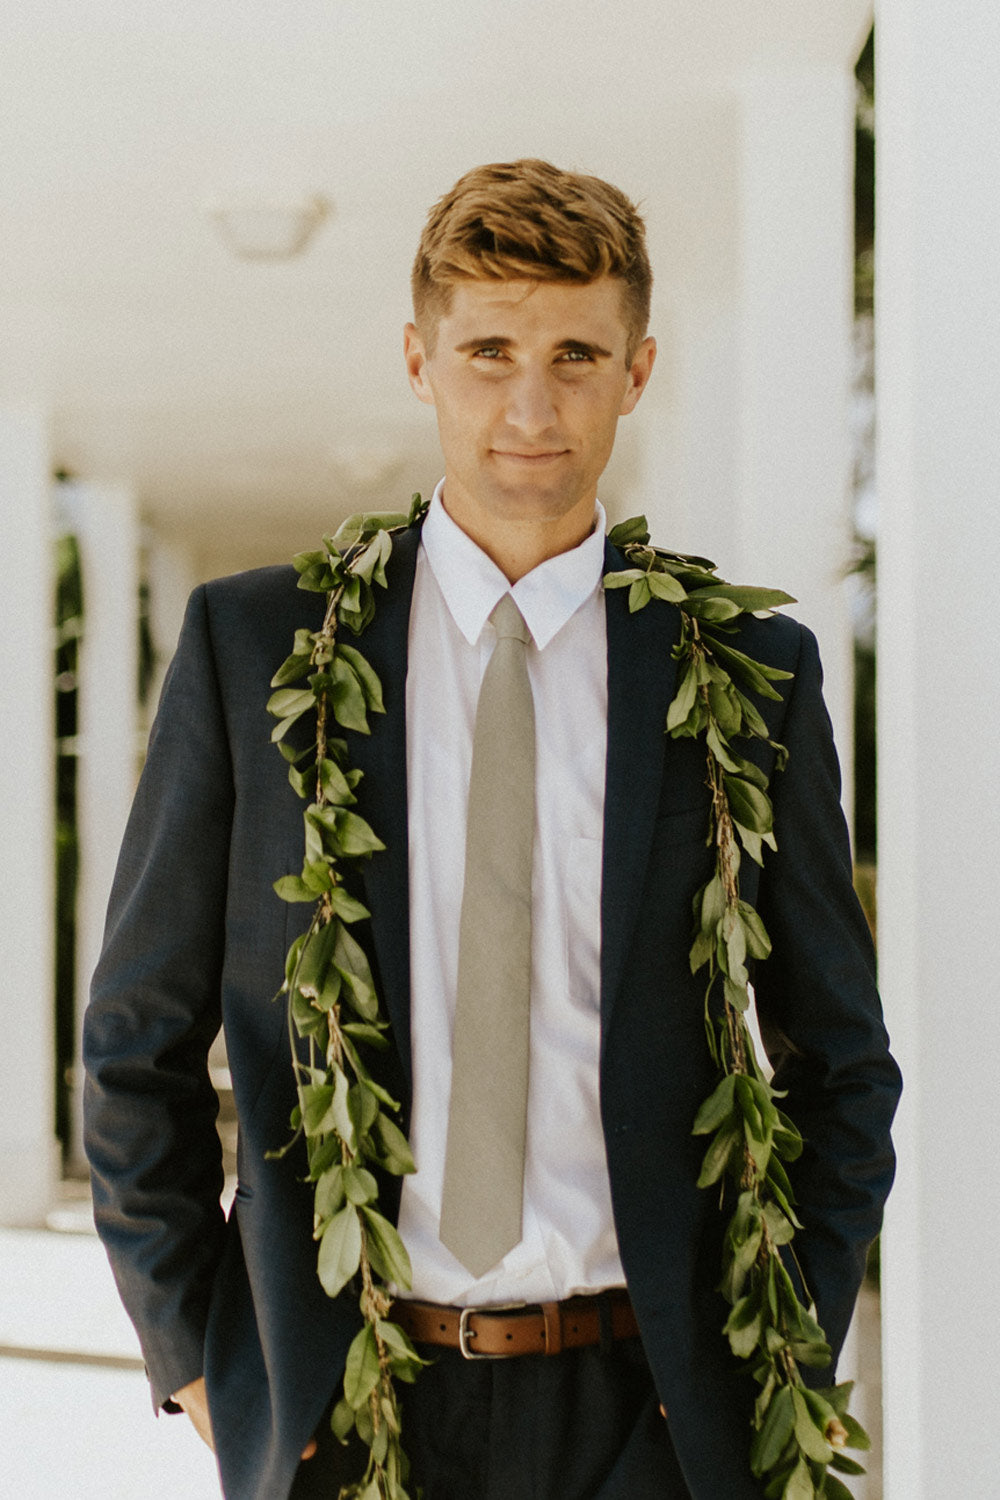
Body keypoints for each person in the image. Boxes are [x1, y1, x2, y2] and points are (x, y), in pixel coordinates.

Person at [84, 159, 901, 1500]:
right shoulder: (256, 648)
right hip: (349, 1406)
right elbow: (136, 1039)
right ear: (420, 360)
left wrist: (770, 1359)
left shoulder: (748, 674)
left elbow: (840, 1063)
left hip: (649, 1410)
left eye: (578, 352)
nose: (533, 404)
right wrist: (204, 1365)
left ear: (639, 370)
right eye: (489, 351)